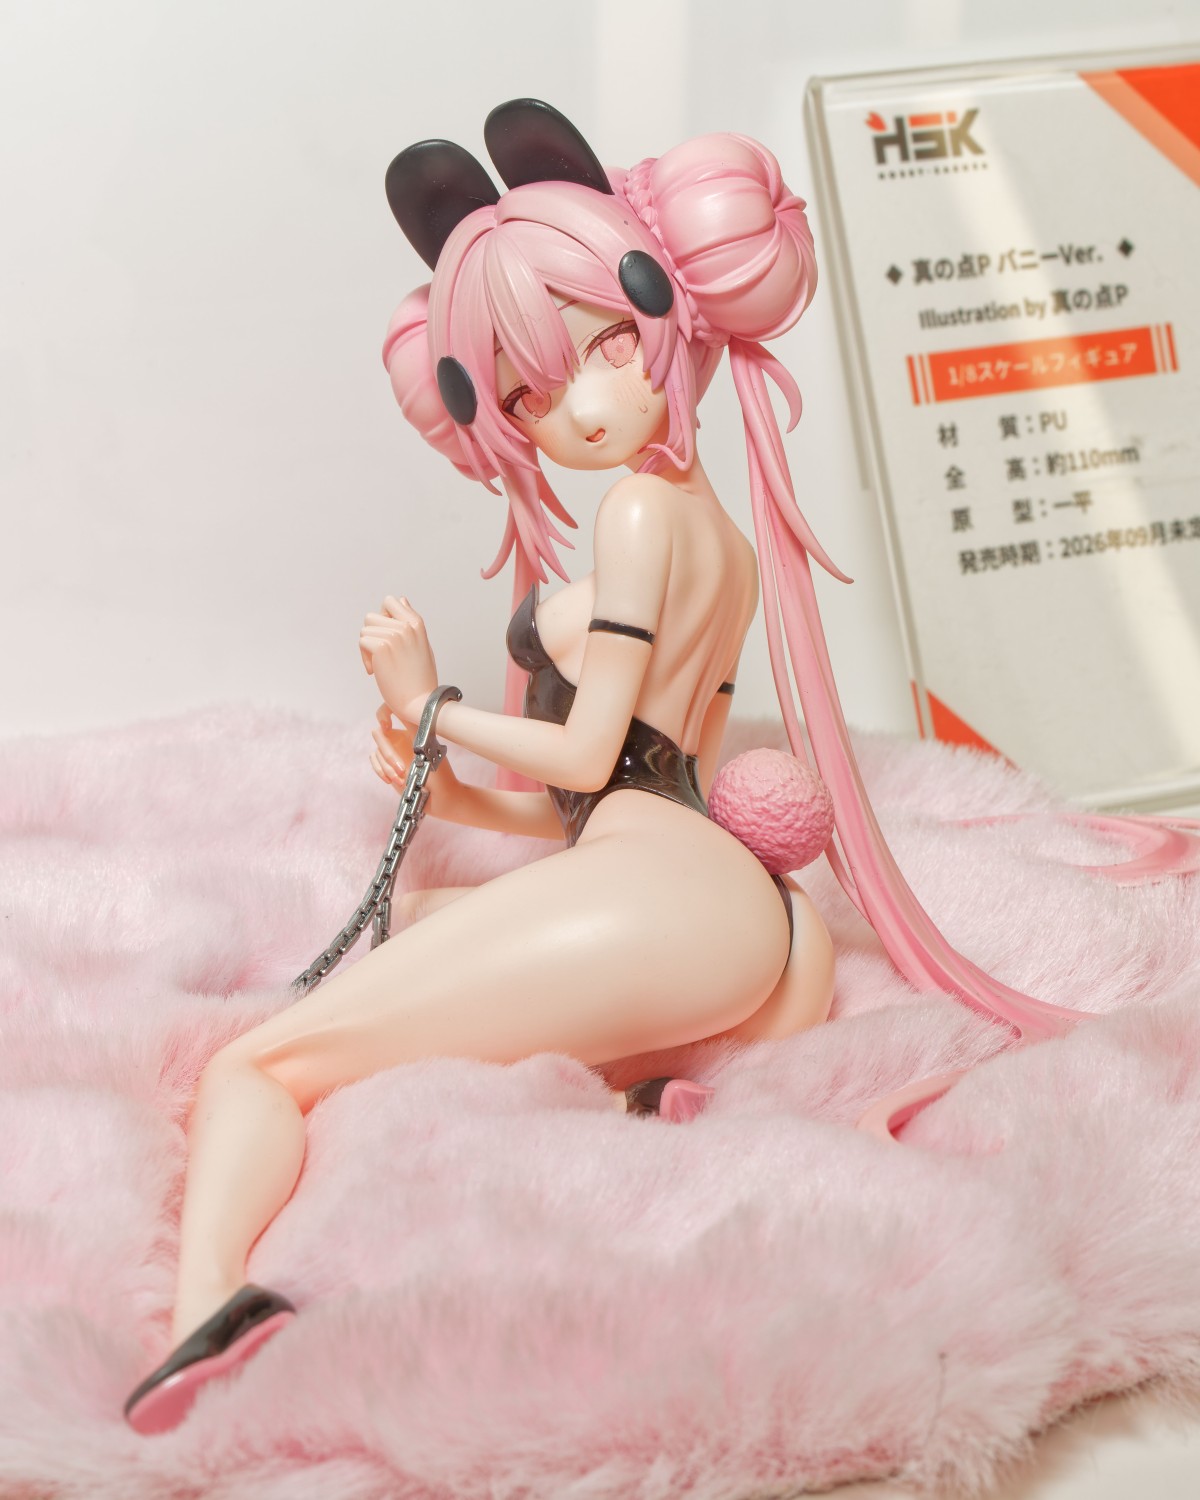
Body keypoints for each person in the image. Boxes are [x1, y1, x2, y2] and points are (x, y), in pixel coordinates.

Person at [123, 100, 1086, 1435]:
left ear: (667, 307)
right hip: (731, 917)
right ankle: (642, 1101)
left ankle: (207, 1312)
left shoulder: (636, 511)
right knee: (424, 916)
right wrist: (439, 783)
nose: (573, 406)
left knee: (253, 1068)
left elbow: (584, 750)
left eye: (601, 347)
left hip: (667, 902)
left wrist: (434, 705)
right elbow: (620, 783)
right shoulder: (720, 535)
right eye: (525, 392)